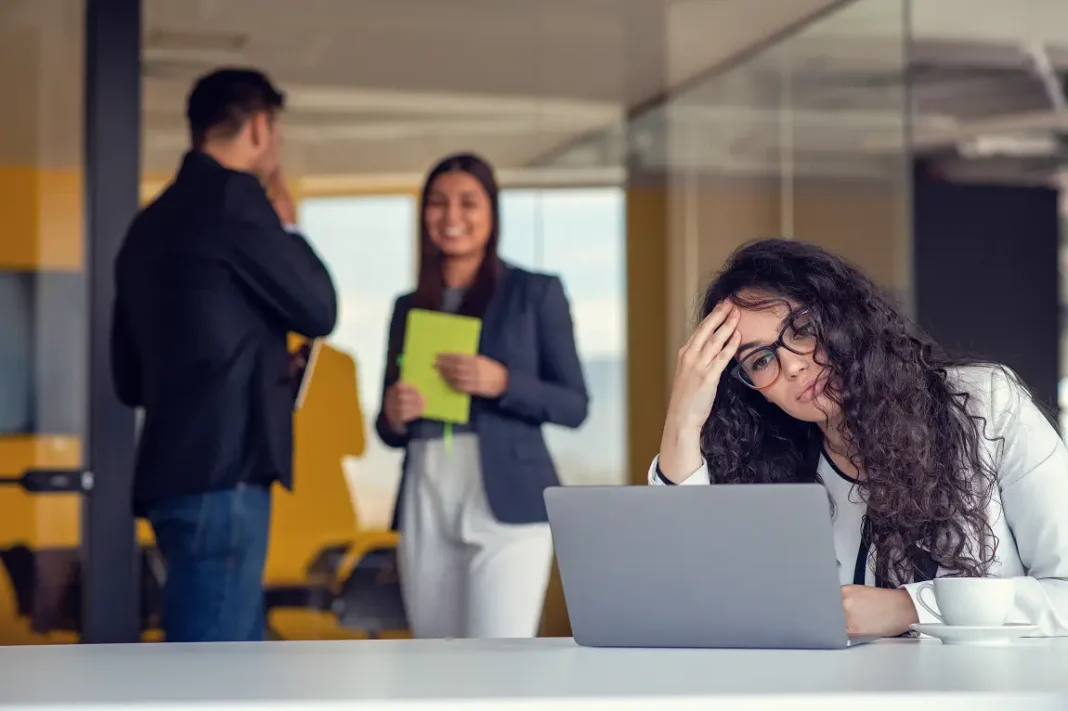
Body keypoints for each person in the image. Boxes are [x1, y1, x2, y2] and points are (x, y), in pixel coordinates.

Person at [653, 238, 1068, 638]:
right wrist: (683, 421)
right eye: (761, 360)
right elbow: (687, 598)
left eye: (802, 329)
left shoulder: (985, 405)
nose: (794, 366)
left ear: (844, 317)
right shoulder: (769, 465)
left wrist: (910, 608)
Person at [110, 68, 337, 642]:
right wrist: (286, 226)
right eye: (275, 130)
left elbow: (129, 379)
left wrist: (255, 365)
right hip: (225, 478)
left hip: (170, 480)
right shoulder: (236, 200)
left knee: (228, 660)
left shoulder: (147, 225)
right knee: (212, 680)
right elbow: (317, 309)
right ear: (259, 127)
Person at [376, 152, 588, 639]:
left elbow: (574, 405)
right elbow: (386, 427)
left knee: (500, 659)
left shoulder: (535, 292)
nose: (452, 217)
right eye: (438, 203)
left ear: (492, 213)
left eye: (468, 203)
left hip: (507, 496)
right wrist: (392, 414)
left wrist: (504, 383)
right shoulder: (408, 307)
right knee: (434, 660)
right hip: (426, 490)